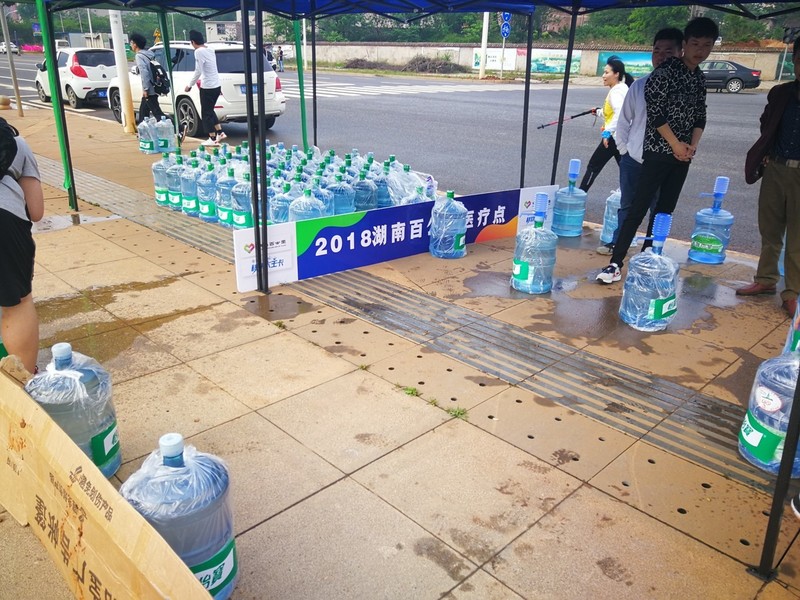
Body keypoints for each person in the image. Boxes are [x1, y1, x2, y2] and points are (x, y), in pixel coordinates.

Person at [597, 17, 719, 284]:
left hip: (682, 155)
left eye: (706, 45)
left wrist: (692, 146)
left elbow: (700, 116)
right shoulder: (664, 74)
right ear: (685, 44)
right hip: (656, 152)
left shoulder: (698, 78)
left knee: (664, 210)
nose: (700, 50)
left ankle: (650, 256)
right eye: (695, 44)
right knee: (636, 208)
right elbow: (656, 115)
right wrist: (674, 145)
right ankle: (615, 263)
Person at [597, 28, 684, 255]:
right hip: (634, 159)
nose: (661, 57)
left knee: (659, 209)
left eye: (668, 51)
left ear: (680, 52)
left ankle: (651, 251)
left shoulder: (684, 88)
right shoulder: (639, 86)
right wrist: (625, 151)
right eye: (657, 51)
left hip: (664, 161)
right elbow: (623, 121)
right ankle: (618, 246)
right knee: (628, 206)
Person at [739, 37, 800, 317]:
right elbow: (766, 122)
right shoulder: (780, 93)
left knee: (797, 237)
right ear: (794, 61)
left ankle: (792, 292)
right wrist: (767, 149)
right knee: (770, 229)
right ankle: (765, 279)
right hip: (776, 168)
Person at [0, 118, 44, 374]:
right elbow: (36, 211)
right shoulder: (15, 143)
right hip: (5, 222)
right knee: (17, 305)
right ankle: (22, 380)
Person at [578, 59, 631, 193]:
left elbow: (620, 114)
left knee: (593, 166)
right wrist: (598, 112)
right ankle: (630, 196)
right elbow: (612, 112)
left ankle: (580, 194)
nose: (603, 76)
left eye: (607, 72)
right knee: (627, 169)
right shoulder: (622, 88)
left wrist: (607, 133)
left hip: (614, 137)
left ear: (616, 74)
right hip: (622, 137)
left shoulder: (616, 92)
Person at [185, 30, 226, 146]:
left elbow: (198, 70)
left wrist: (190, 85)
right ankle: (220, 132)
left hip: (207, 86)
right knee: (210, 110)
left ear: (193, 42)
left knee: (206, 113)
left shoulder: (198, 51)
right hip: (216, 86)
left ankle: (212, 138)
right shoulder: (210, 49)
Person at [129, 33, 166, 124]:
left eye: (131, 43)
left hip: (149, 89)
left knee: (157, 113)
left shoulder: (139, 56)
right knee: (143, 111)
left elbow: (144, 73)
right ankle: (143, 129)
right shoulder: (149, 54)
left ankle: (178, 127)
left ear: (135, 44)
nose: (131, 45)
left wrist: (145, 89)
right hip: (155, 85)